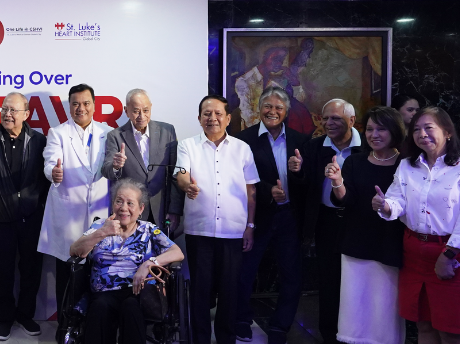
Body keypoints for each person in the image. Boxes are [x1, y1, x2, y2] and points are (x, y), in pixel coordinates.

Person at [375, 107, 460, 342]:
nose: (422, 134)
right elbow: (398, 200)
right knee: (424, 325)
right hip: (414, 255)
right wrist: (386, 206)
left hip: (452, 255)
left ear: (447, 132)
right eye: (416, 129)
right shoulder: (408, 165)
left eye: (429, 127)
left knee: (449, 330)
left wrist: (448, 255)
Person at [175, 95, 259, 344]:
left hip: (233, 231)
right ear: (199, 118)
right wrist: (187, 185)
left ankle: (226, 339)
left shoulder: (242, 148)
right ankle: (199, 339)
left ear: (228, 118)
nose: (212, 118)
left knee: (229, 292)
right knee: (200, 291)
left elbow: (251, 191)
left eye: (217, 114)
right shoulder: (187, 145)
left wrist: (250, 226)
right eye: (206, 114)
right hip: (199, 230)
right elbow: (181, 174)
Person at [232, 87, 308, 344]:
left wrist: (298, 173)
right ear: (259, 109)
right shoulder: (243, 140)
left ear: (286, 112)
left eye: (278, 108)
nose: (272, 111)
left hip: (289, 217)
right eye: (268, 106)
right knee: (245, 271)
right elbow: (238, 180)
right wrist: (268, 192)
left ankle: (280, 326)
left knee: (291, 275)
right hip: (257, 216)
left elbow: (308, 185)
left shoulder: (301, 141)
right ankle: (241, 319)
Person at [69, 179, 184, 344]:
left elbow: (177, 252)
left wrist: (149, 263)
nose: (123, 208)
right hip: (103, 292)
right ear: (113, 204)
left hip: (137, 293)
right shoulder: (100, 225)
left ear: (141, 209)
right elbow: (74, 251)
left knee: (131, 308)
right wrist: (101, 233)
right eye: (119, 201)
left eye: (130, 203)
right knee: (100, 307)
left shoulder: (149, 229)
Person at [327, 106, 406, 344]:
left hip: (390, 243)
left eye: (381, 129)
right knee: (355, 305)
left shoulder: (407, 163)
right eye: (370, 129)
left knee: (385, 306)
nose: (374, 134)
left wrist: (386, 206)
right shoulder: (355, 161)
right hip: (356, 242)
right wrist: (337, 182)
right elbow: (346, 199)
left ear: (394, 131)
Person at [289, 98, 363, 344]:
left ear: (351, 121)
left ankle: (356, 334)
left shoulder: (365, 148)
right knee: (329, 282)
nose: (329, 123)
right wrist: (298, 170)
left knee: (357, 281)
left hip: (357, 224)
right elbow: (305, 185)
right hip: (326, 223)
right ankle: (329, 335)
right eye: (325, 118)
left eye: (336, 118)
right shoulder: (315, 146)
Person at [38, 83, 112, 327]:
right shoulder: (57, 133)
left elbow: (111, 167)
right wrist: (54, 173)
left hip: (98, 214)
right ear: (69, 106)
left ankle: (91, 326)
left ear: (94, 105)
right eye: (75, 104)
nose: (81, 108)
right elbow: (50, 161)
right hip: (67, 213)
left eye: (86, 103)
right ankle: (65, 327)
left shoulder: (107, 132)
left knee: (96, 270)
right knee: (67, 274)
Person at [0, 93, 50, 340]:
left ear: (26, 114)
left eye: (13, 110)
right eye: (4, 109)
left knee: (31, 270)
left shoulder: (39, 140)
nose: (7, 114)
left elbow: (46, 178)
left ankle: (25, 315)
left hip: (31, 217)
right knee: (1, 271)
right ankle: (5, 318)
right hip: (1, 217)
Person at [101, 89, 181, 232]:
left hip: (161, 210)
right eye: (136, 111)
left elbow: (175, 173)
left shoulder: (167, 131)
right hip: (129, 213)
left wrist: (174, 210)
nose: (141, 116)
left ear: (151, 107)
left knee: (161, 253)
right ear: (126, 111)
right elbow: (106, 170)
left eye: (146, 110)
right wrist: (115, 166)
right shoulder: (115, 136)